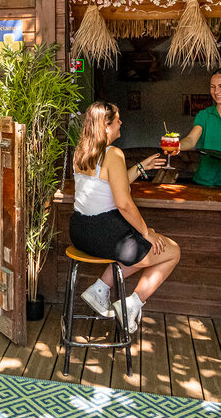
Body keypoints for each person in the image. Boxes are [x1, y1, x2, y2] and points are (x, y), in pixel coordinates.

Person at [70, 101, 181, 333]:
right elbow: (123, 203)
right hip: (106, 235)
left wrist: (141, 167)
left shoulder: (82, 150)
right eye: (117, 119)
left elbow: (107, 185)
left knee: (133, 250)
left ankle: (100, 288)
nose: (121, 122)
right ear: (106, 126)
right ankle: (132, 304)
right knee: (172, 251)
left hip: (80, 232)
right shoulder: (114, 153)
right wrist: (146, 232)